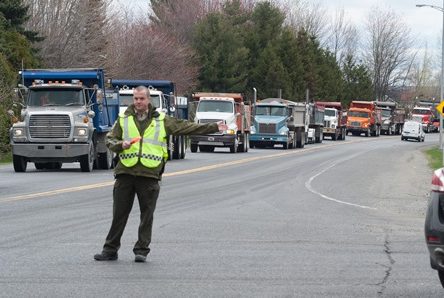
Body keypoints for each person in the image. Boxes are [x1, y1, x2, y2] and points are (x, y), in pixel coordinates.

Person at [94, 86, 227, 263]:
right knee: (119, 214)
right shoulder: (123, 119)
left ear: (148, 100)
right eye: (135, 99)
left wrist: (214, 127)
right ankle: (110, 250)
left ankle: (141, 250)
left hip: (149, 174)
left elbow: (187, 127)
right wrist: (120, 145)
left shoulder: (162, 121)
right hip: (125, 172)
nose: (138, 102)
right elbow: (110, 139)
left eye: (141, 99)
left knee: (146, 215)